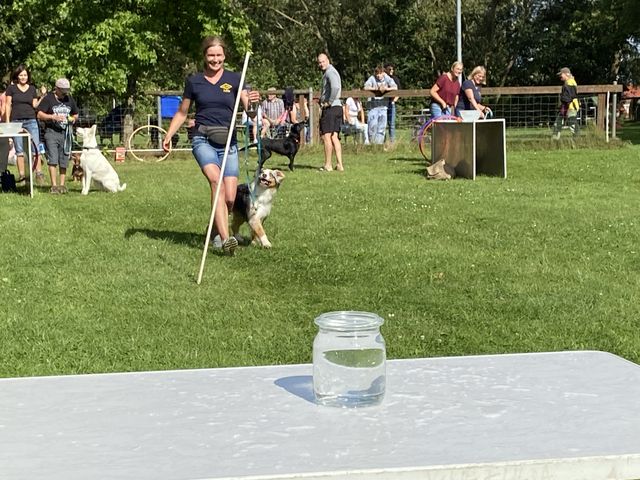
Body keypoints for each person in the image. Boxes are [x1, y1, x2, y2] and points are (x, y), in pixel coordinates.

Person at [162, 36, 258, 256]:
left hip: (229, 143)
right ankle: (226, 240)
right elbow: (182, 112)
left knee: (230, 198)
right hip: (202, 139)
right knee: (216, 182)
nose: (215, 60)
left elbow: (250, 111)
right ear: (205, 56)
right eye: (211, 55)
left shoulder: (236, 79)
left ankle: (214, 230)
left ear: (225, 56)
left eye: (219, 55)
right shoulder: (194, 81)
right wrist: (168, 135)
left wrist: (253, 101)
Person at [36, 78, 79, 194]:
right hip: (51, 132)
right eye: (63, 91)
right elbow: (39, 114)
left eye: (66, 91)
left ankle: (62, 185)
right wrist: (52, 117)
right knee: (53, 159)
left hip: (66, 133)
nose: (65, 93)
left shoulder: (69, 99)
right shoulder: (48, 99)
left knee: (64, 159)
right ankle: (54, 185)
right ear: (57, 89)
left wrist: (73, 119)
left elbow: (75, 114)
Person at [4, 65, 45, 185]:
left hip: (31, 121)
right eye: (21, 75)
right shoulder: (11, 88)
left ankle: (39, 173)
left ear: (28, 76)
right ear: (17, 76)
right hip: (16, 122)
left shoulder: (32, 89)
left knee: (35, 148)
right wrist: (8, 122)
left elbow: (35, 105)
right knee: (19, 149)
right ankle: (22, 176)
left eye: (25, 75)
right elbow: (7, 105)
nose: (23, 77)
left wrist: (42, 96)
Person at [317, 53, 343, 172]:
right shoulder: (333, 71)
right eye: (319, 62)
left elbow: (336, 87)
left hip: (331, 108)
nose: (321, 64)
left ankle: (328, 164)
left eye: (323, 61)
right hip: (338, 107)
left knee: (326, 136)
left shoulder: (330, 72)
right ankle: (339, 164)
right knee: (334, 137)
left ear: (328, 60)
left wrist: (329, 102)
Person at [364, 65, 397, 145]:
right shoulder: (372, 78)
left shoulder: (387, 78)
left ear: (383, 73)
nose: (378, 75)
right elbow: (365, 87)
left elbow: (395, 87)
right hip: (373, 107)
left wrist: (386, 89)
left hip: (383, 107)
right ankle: (372, 144)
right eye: (377, 74)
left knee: (381, 128)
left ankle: (379, 145)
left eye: (380, 73)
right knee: (372, 126)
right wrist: (376, 89)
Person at [553, 67, 579, 139]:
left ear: (566, 74)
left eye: (561, 74)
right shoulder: (569, 82)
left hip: (570, 106)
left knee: (572, 123)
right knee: (559, 122)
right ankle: (555, 138)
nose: (560, 76)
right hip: (566, 106)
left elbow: (570, 96)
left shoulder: (570, 82)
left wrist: (564, 102)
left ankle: (576, 139)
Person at [384, 63, 400, 143]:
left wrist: (393, 101)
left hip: (391, 103)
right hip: (383, 103)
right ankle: (382, 142)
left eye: (392, 69)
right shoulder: (383, 79)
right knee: (383, 124)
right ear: (385, 70)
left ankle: (392, 142)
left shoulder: (395, 79)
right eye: (389, 69)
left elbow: (399, 92)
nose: (391, 71)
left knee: (392, 124)